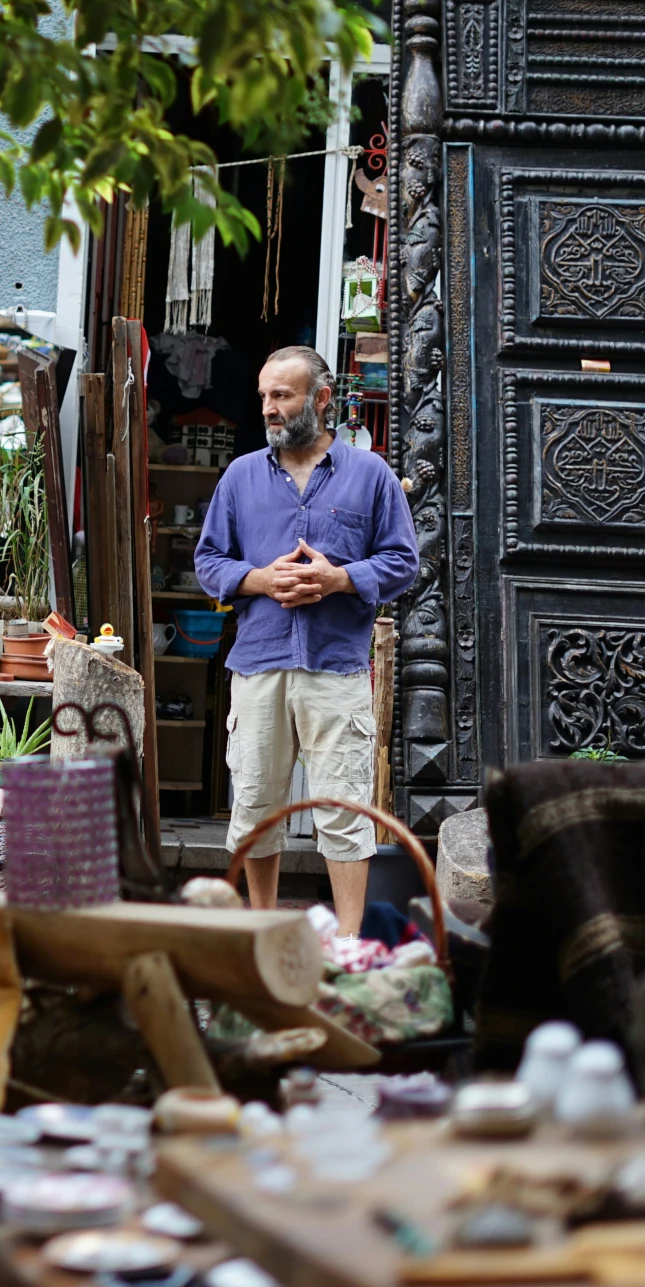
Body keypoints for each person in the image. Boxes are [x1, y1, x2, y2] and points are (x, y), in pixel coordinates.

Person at [192, 345, 418, 934]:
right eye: (264, 396)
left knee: (344, 813)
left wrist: (340, 578)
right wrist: (261, 579)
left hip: (336, 669)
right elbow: (208, 561)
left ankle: (347, 943)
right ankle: (262, 931)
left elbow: (403, 562)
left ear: (320, 399)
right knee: (256, 811)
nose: (268, 408)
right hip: (259, 666)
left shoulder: (371, 476)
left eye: (281, 396)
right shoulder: (240, 477)